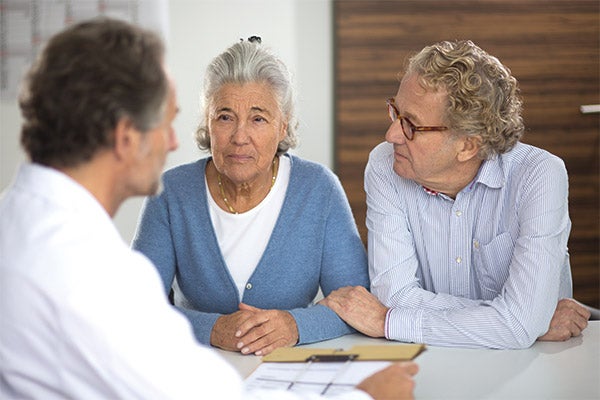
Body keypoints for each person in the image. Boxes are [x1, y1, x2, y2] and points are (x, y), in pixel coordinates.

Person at [0, 17, 419, 400]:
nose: (174, 143)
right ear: (127, 137)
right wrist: (364, 396)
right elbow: (204, 393)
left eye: (257, 119)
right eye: (166, 122)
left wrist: (295, 325)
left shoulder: (21, 223)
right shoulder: (90, 274)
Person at [320, 39, 591, 349]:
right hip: (430, 359)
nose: (391, 134)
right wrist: (527, 321)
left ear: (468, 145)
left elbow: (517, 323)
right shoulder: (386, 165)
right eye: (395, 112)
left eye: (412, 126)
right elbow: (394, 296)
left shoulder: (540, 175)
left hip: (535, 365)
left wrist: (387, 321)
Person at [132, 37, 369, 356]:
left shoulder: (318, 189)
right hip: (193, 370)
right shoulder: (170, 192)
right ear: (208, 123)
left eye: (258, 118)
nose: (240, 137)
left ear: (282, 127)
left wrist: (294, 326)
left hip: (288, 375)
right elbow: (138, 307)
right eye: (225, 117)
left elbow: (356, 302)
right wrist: (212, 329)